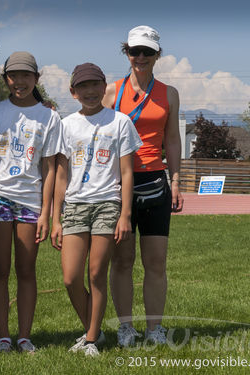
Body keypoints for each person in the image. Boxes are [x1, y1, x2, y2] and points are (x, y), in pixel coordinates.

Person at [51, 63, 142, 357]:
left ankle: (90, 340)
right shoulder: (66, 125)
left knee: (96, 273)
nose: (90, 91)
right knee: (70, 277)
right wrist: (56, 218)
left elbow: (127, 172)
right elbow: (61, 175)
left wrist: (125, 214)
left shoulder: (120, 121)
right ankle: (96, 328)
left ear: (104, 87)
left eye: (95, 85)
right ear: (73, 92)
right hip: (75, 205)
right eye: (83, 86)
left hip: (107, 203)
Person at [102, 25, 184, 347]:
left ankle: (154, 330)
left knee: (156, 262)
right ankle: (125, 328)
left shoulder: (170, 94)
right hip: (118, 183)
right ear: (127, 53)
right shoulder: (112, 92)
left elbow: (173, 139)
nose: (140, 57)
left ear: (157, 55)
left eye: (147, 52)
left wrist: (175, 180)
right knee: (121, 261)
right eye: (134, 51)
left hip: (155, 182)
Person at [0, 51, 63, 353]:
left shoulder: (49, 116)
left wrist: (47, 213)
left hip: (31, 202)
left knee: (27, 271)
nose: (20, 82)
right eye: (13, 76)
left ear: (36, 79)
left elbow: (50, 167)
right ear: (6, 79)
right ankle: (3, 336)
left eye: (26, 75)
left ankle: (24, 336)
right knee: (0, 270)